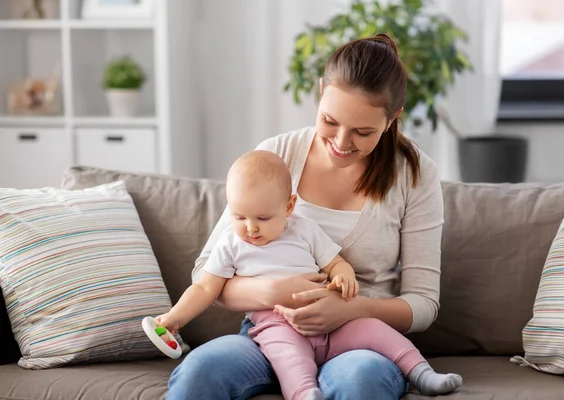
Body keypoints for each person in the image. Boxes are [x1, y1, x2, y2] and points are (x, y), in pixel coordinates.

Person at [167, 33, 447, 400]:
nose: (341, 143)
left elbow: (424, 303)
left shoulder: (414, 175)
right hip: (270, 333)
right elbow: (207, 269)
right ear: (320, 91)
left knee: (361, 381)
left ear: (393, 119)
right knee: (199, 373)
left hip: (357, 342)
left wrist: (351, 309)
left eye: (363, 131)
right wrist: (272, 291)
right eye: (329, 121)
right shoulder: (276, 155)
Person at [157, 150, 461, 400]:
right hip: (276, 323)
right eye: (239, 216)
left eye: (263, 218)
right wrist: (175, 318)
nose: (250, 227)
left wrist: (344, 277)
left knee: (376, 331)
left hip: (338, 325)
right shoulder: (231, 242)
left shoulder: (303, 229)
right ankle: (304, 394)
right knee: (289, 356)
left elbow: (335, 262)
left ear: (289, 206)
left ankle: (423, 374)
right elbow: (204, 288)